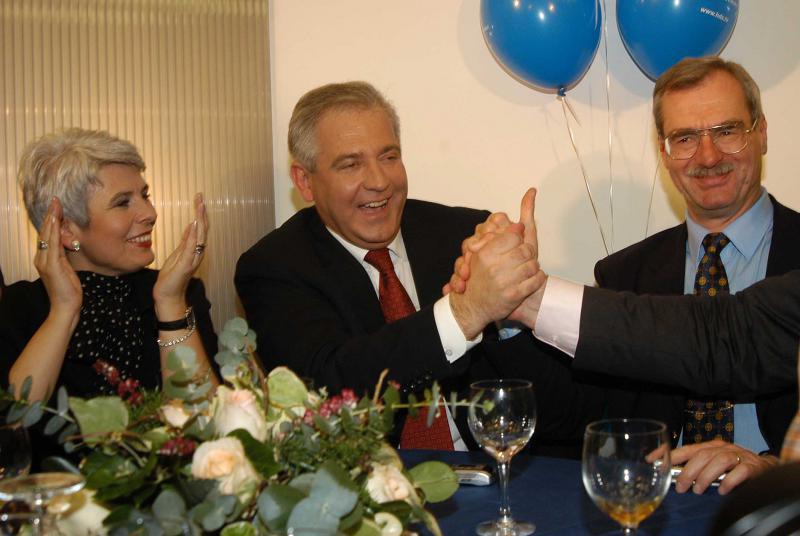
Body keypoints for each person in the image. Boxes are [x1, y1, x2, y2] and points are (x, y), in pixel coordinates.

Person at [452, 57, 800, 493]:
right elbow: (571, 416)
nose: (708, 156)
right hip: (656, 505)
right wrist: (511, 307)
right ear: (664, 153)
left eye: (727, 131)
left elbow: (718, 340)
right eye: (685, 138)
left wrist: (776, 470)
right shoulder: (625, 273)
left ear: (761, 132)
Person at [235, 81, 540, 450]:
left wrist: (517, 304)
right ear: (305, 181)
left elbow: (547, 405)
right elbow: (329, 390)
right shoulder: (274, 267)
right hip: (369, 475)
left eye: (389, 157)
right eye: (351, 164)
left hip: (492, 464)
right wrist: (463, 314)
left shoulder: (464, 236)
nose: (379, 182)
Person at [0, 128, 218, 405]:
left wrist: (171, 303)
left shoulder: (180, 292)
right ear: (66, 229)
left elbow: (205, 418)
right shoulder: (21, 307)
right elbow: (16, 420)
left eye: (145, 195)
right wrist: (63, 312)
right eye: (123, 203)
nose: (150, 213)